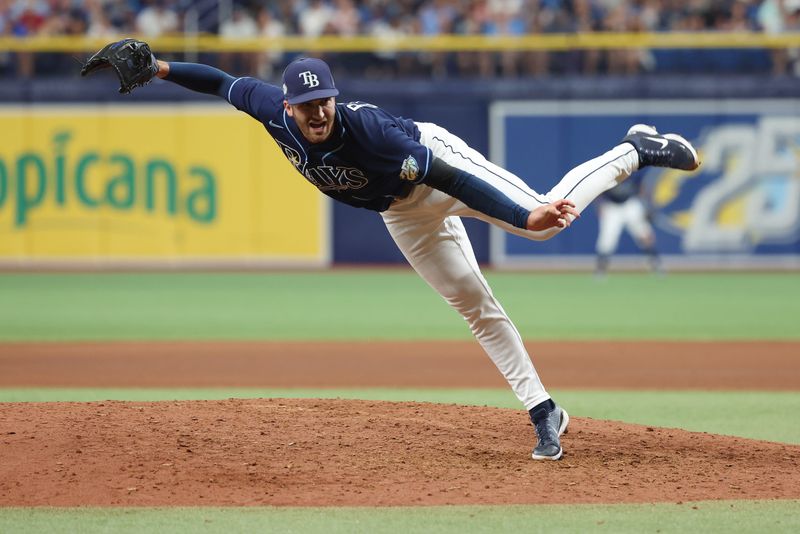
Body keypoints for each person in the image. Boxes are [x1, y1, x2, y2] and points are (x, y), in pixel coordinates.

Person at [82, 41, 700, 460]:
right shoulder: (272, 110)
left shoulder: (369, 134)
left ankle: (635, 150)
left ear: (333, 95)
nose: (316, 112)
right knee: (472, 305)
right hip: (400, 214)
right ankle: (544, 410)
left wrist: (520, 215)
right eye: (304, 105)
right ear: (288, 106)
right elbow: (218, 82)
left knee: (542, 223)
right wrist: (160, 67)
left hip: (438, 168)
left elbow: (454, 181)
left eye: (323, 99)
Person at [595, 173, 662, 275]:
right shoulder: (607, 172)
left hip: (630, 204)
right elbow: (597, 191)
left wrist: (648, 206)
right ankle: (601, 270)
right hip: (612, 207)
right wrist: (599, 206)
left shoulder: (631, 168)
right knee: (607, 239)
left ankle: (655, 265)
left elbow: (641, 189)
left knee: (645, 234)